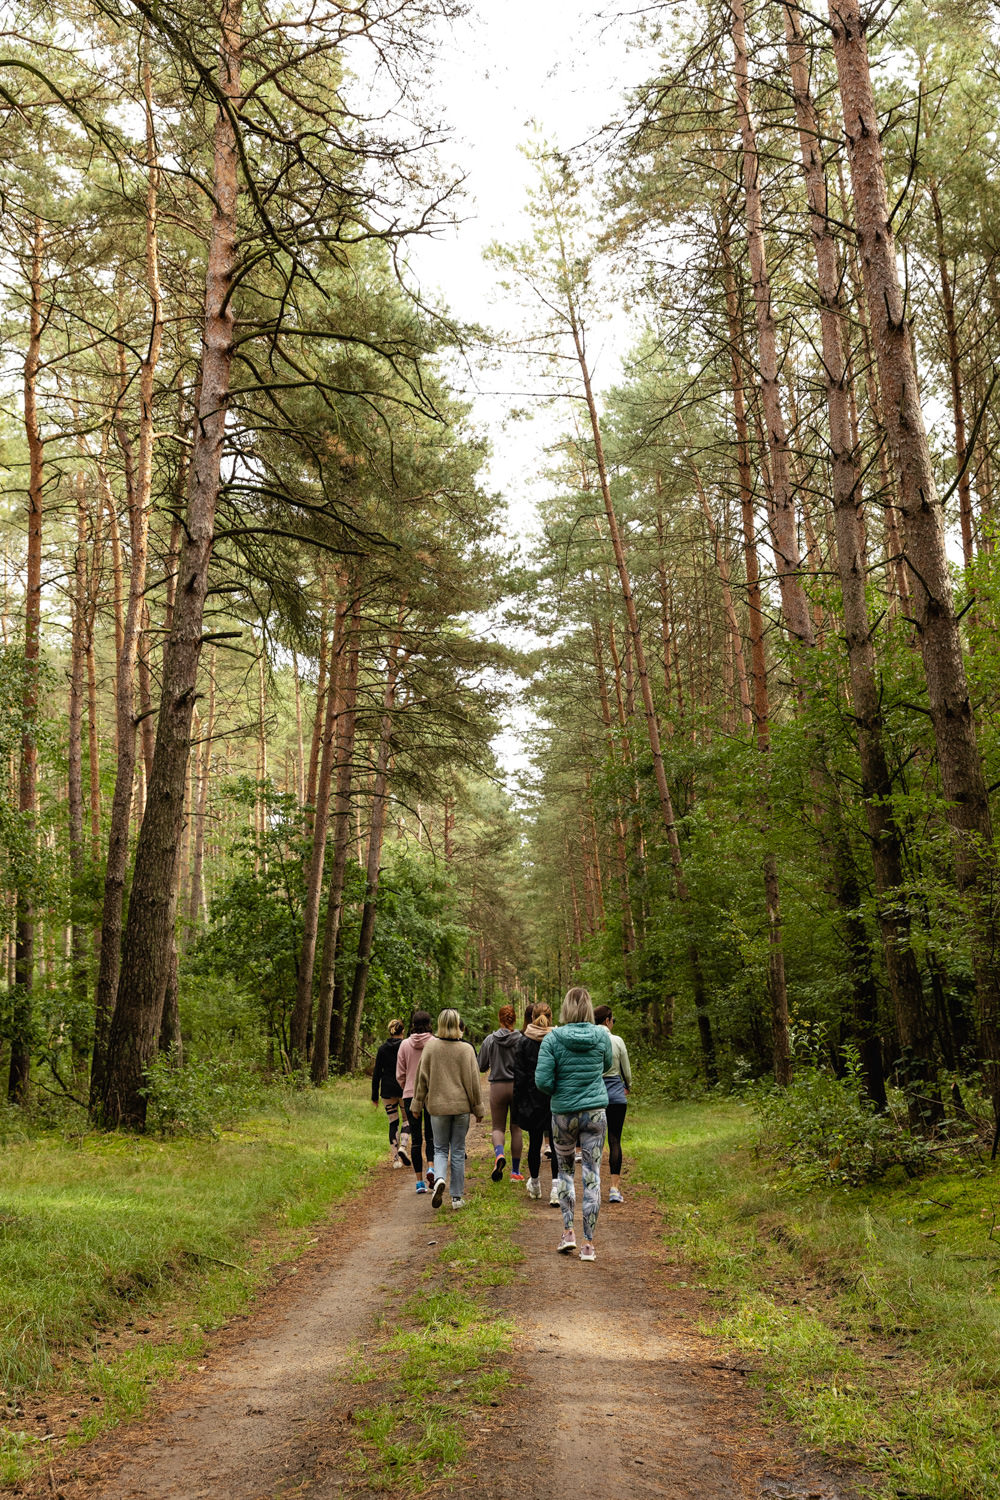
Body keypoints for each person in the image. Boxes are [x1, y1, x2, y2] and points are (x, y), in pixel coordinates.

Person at [535, 986, 612, 1262]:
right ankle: (589, 1245)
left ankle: (568, 1232)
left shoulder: (552, 1038)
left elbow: (542, 1081)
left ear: (566, 1008)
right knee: (592, 1174)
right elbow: (607, 1065)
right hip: (594, 1114)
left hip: (563, 1115)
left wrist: (562, 1089)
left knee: (565, 1171)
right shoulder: (602, 1035)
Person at [412, 1008, 484, 1210]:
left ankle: (440, 1179)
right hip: (461, 1108)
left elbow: (421, 1079)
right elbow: (474, 1083)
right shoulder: (467, 1050)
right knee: (458, 1151)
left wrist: (417, 1104)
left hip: (437, 1108)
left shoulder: (430, 1048)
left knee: (440, 1149)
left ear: (440, 1025)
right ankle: (457, 1198)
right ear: (458, 1024)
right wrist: (478, 1108)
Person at [511, 1001, 557, 1202]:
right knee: (556, 1145)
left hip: (531, 1099)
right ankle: (556, 1189)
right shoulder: (556, 1040)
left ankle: (536, 1184)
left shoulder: (523, 1042)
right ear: (551, 1017)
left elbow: (519, 1076)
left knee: (535, 1142)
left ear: (531, 1018)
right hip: (554, 1098)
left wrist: (518, 1102)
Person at [477, 1004, 524, 1182]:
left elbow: (481, 1066)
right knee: (516, 1128)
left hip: (497, 1086)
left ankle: (499, 1155)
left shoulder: (490, 1040)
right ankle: (515, 1171)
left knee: (498, 1128)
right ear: (514, 1018)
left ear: (500, 1019)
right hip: (517, 1086)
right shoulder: (521, 1039)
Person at [593, 1004, 631, 1203]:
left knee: (595, 1142)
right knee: (614, 1140)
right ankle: (615, 1189)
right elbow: (627, 1071)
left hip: (594, 1097)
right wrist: (628, 1086)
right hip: (616, 1096)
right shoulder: (617, 1041)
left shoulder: (590, 1040)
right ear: (607, 1020)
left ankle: (594, 1187)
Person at [396, 1011, 436, 1193]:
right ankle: (431, 1168)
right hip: (431, 1095)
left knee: (416, 1139)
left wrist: (408, 1088)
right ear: (429, 1023)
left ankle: (419, 1182)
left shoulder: (404, 1044)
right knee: (431, 1136)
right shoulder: (435, 1043)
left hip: (410, 1095)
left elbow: (400, 1074)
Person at [370, 1018, 410, 1168]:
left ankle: (395, 1160)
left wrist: (374, 1095)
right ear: (403, 1031)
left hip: (387, 1090)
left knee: (393, 1122)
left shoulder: (382, 1049)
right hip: (403, 1088)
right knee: (407, 1120)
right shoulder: (406, 1046)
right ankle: (403, 1147)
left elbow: (376, 1073)